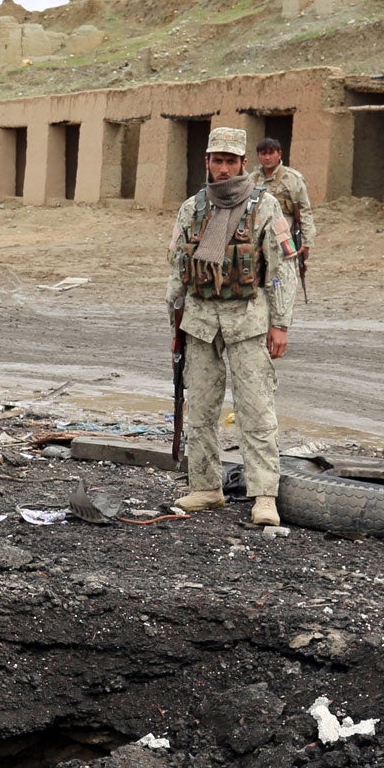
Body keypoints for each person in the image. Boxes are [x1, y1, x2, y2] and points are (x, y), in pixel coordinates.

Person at [165, 127, 297, 527]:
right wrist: (175, 322)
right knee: (201, 410)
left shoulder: (265, 207)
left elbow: (280, 270)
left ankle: (263, 495)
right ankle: (206, 486)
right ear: (207, 162)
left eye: (230, 162)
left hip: (248, 322)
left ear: (243, 164)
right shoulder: (192, 208)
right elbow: (177, 270)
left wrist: (281, 324)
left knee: (256, 412)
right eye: (216, 161)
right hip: (201, 323)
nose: (223, 169)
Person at [251, 136, 316, 263]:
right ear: (258, 156)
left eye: (271, 153)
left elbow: (304, 211)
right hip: (257, 235)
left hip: (285, 236)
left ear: (279, 154)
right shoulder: (252, 180)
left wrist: (307, 242)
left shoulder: (292, 178)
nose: (267, 157)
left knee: (286, 271)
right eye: (263, 154)